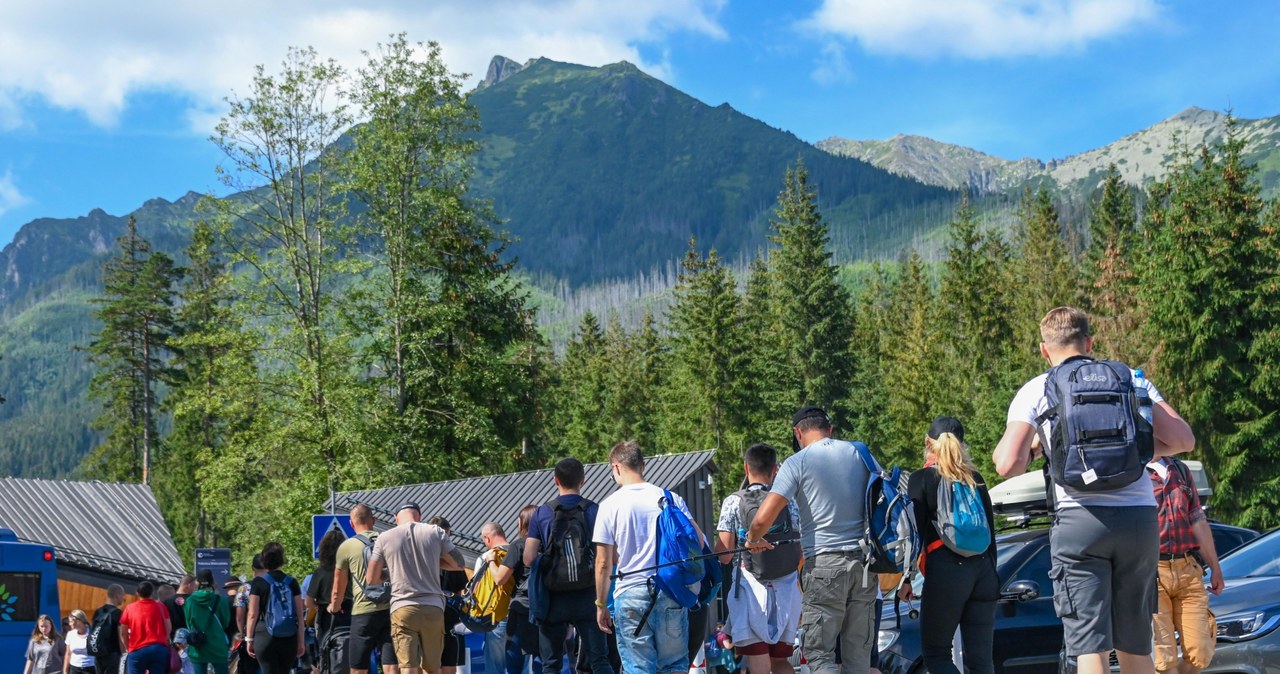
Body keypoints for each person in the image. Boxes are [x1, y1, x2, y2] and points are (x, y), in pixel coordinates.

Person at [993, 307, 1196, 674]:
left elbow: (1008, 464)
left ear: (1043, 349)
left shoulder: (1038, 388)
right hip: (1138, 520)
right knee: (1136, 642)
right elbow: (1183, 439)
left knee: (1090, 645)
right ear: (1089, 342)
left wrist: (1040, 447)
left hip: (1079, 521)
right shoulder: (1130, 380)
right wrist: (1140, 453)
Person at [744, 406, 879, 674]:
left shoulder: (797, 462)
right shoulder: (860, 453)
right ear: (830, 429)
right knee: (858, 658)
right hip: (865, 565)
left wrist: (752, 539)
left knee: (820, 656)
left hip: (825, 565)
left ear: (798, 433)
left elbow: (761, 519)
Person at [593, 440, 703, 674]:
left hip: (630, 594)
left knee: (638, 669)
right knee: (674, 666)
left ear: (615, 468)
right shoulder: (671, 499)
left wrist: (601, 604)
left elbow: (603, 563)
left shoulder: (609, 506)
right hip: (671, 591)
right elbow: (699, 542)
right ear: (643, 465)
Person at [902, 417, 998, 674]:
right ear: (962, 444)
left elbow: (915, 534)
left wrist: (906, 579)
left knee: (937, 654)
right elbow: (991, 531)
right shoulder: (975, 479)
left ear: (927, 443)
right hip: (984, 571)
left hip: (947, 571)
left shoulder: (921, 478)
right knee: (981, 661)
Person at [715, 443, 802, 674]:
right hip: (787, 591)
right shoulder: (788, 501)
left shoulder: (733, 501)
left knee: (759, 662)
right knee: (781, 662)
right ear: (775, 470)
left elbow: (723, 555)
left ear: (746, 467)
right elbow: (799, 547)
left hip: (750, 591)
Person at [525, 458, 616, 674]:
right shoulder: (594, 510)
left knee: (551, 665)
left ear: (555, 480)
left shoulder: (542, 513)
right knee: (600, 660)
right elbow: (610, 556)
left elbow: (528, 558)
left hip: (552, 598)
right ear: (583, 480)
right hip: (588, 596)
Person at [366, 503, 466, 674]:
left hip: (403, 607)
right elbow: (459, 564)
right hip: (433, 607)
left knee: (408, 668)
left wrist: (395, 568)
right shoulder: (436, 531)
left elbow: (371, 578)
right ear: (419, 516)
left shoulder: (385, 537)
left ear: (395, 518)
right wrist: (433, 562)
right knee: (433, 668)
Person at [1148, 456, 1223, 674]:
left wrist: (1215, 567)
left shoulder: (1179, 469)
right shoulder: (1133, 469)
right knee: (1164, 660)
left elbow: (1197, 518)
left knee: (1200, 652)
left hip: (1187, 567)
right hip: (1151, 571)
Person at [332, 504, 398, 674]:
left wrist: (335, 606)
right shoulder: (387, 540)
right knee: (391, 664)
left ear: (351, 524)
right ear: (373, 520)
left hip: (363, 612)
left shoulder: (347, 547)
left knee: (358, 666)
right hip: (391, 608)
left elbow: (339, 584)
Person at [485, 506, 539, 674]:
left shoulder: (519, 546)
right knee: (544, 660)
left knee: (515, 660)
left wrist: (491, 561)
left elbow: (500, 578)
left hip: (521, 607)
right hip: (546, 607)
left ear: (521, 522)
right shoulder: (551, 544)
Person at [245, 542, 306, 674]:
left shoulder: (258, 582)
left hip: (265, 635)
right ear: (281, 560)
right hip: (289, 636)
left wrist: (249, 639)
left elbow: (252, 614)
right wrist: (301, 641)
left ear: (264, 560)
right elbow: (300, 615)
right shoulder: (292, 582)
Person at [428, 516, 470, 674]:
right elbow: (462, 589)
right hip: (450, 619)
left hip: (428, 615)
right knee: (449, 662)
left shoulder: (420, 555)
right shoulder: (454, 557)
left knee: (428, 661)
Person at [309, 528, 351, 661]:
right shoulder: (351, 570)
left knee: (326, 651)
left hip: (327, 616)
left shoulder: (320, 572)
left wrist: (317, 604)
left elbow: (308, 602)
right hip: (350, 613)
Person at [185, 569, 233, 674]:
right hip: (218, 644)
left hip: (198, 645)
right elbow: (225, 622)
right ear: (212, 582)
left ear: (197, 582)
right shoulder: (220, 600)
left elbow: (189, 623)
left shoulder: (189, 601)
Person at [120, 581, 172, 674]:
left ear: (137, 593)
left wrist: (128, 648)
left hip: (137, 649)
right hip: (158, 648)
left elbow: (123, 632)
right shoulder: (160, 606)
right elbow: (168, 627)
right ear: (152, 593)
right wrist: (164, 639)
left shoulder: (130, 608)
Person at [236, 557, 266, 674]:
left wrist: (243, 634)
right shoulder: (274, 584)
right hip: (272, 631)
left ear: (253, 568)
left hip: (252, 633)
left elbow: (239, 615)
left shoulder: (245, 588)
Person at [90, 585, 125, 674]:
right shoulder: (118, 613)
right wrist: (124, 652)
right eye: (122, 596)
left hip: (98, 652)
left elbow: (92, 631)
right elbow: (120, 635)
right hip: (113, 653)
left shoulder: (98, 612)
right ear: (117, 595)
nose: (123, 599)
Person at [64, 608, 96, 674]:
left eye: (71, 621)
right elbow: (68, 654)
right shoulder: (70, 634)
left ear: (78, 621)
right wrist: (65, 671)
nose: (69, 624)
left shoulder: (92, 633)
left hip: (90, 668)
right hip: (74, 669)